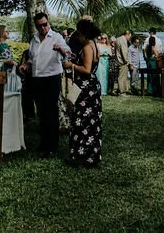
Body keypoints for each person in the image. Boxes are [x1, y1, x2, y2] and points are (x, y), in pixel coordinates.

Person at [19, 11, 73, 158]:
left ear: (48, 23)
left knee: (51, 112)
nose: (43, 28)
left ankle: (52, 147)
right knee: (41, 113)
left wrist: (61, 49)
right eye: (39, 26)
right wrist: (26, 66)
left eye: (45, 24)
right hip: (37, 79)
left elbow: (69, 54)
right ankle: (43, 144)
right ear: (36, 26)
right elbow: (32, 59)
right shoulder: (34, 39)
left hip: (52, 78)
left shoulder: (56, 37)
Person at [62, 18, 102, 167]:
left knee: (82, 120)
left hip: (86, 88)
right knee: (91, 120)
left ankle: (81, 154)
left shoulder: (87, 47)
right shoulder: (95, 45)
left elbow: (86, 69)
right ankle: (91, 154)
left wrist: (71, 65)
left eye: (79, 34)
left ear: (84, 34)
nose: (77, 37)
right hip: (92, 87)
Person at [0, 25, 20, 93]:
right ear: (1, 33)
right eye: (6, 31)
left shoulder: (6, 45)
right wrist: (6, 61)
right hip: (0, 73)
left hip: (8, 72)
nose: (8, 32)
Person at [112, 30, 132, 96]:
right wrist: (127, 61)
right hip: (122, 61)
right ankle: (122, 92)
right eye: (129, 37)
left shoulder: (117, 39)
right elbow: (124, 52)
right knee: (122, 77)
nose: (129, 38)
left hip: (118, 60)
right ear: (127, 34)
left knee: (120, 76)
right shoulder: (123, 40)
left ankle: (119, 90)